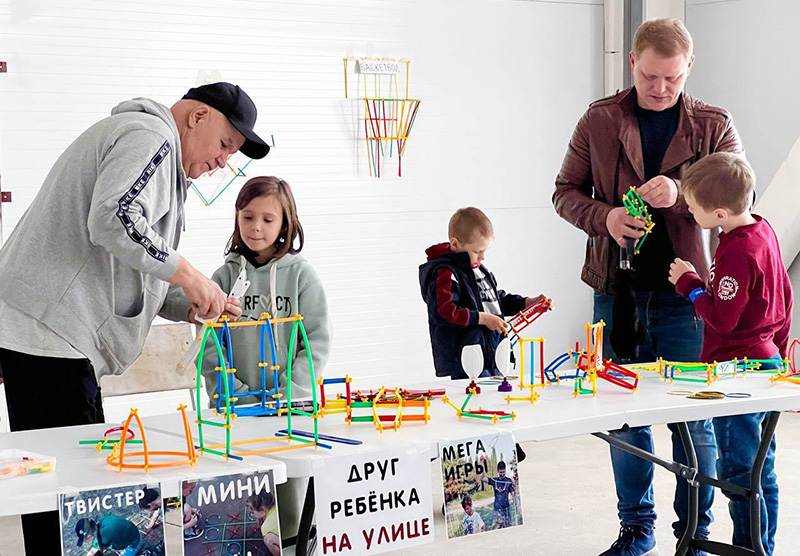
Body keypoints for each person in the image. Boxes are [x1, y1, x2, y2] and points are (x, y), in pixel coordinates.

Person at [0, 82, 267, 554]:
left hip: (46, 332)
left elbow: (131, 262)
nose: (224, 161)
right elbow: (113, 218)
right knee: (73, 503)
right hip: (50, 333)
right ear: (198, 117)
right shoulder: (151, 137)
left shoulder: (146, 146)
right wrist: (191, 276)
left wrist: (190, 303)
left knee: (62, 497)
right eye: (226, 144)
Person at [552, 18, 742, 555]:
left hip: (690, 296)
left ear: (690, 68)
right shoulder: (599, 119)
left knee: (693, 417)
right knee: (625, 419)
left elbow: (738, 194)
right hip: (615, 292)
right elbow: (564, 192)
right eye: (650, 77)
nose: (661, 89)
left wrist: (682, 192)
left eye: (673, 79)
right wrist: (605, 217)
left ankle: (695, 535)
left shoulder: (714, 124)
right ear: (632, 62)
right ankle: (637, 531)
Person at [669, 153, 791, 555]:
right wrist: (779, 352)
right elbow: (786, 297)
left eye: (693, 208)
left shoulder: (737, 251)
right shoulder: (763, 229)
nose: (688, 212)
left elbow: (722, 319)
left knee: (739, 473)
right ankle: (762, 546)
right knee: (761, 470)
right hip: (767, 363)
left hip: (738, 373)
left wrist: (689, 284)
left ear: (719, 214)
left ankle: (750, 547)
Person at [177, 175, 331, 401]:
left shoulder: (302, 276)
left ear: (284, 224)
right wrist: (237, 396)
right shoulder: (223, 278)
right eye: (248, 217)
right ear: (237, 217)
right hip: (234, 408)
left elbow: (317, 341)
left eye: (268, 220)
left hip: (289, 406)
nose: (256, 227)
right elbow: (209, 345)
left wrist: (290, 394)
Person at [419, 206, 548, 379]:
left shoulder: (479, 270)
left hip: (492, 354)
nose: (483, 257)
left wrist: (527, 303)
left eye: (485, 251)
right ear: (455, 244)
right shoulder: (446, 273)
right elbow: (444, 312)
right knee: (474, 395)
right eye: (477, 251)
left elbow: (494, 300)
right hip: (467, 358)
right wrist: (483, 318)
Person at [75, 516, 142, 556]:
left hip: (135, 545)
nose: (86, 542)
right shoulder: (102, 519)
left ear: (90, 536)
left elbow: (92, 551)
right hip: (136, 532)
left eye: (85, 540)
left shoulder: (101, 539)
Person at [480, 460, 516, 529]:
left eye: (503, 472)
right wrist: (482, 465)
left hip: (506, 510)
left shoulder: (509, 481)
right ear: (497, 471)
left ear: (505, 470)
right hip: (497, 510)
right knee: (496, 529)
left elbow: (513, 495)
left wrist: (514, 485)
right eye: (500, 472)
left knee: (508, 529)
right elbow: (483, 478)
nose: (502, 474)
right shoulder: (494, 480)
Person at [247, 490, 282, 556]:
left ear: (262, 509)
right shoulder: (279, 504)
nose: (252, 515)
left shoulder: (265, 528)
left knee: (267, 539)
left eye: (252, 512)